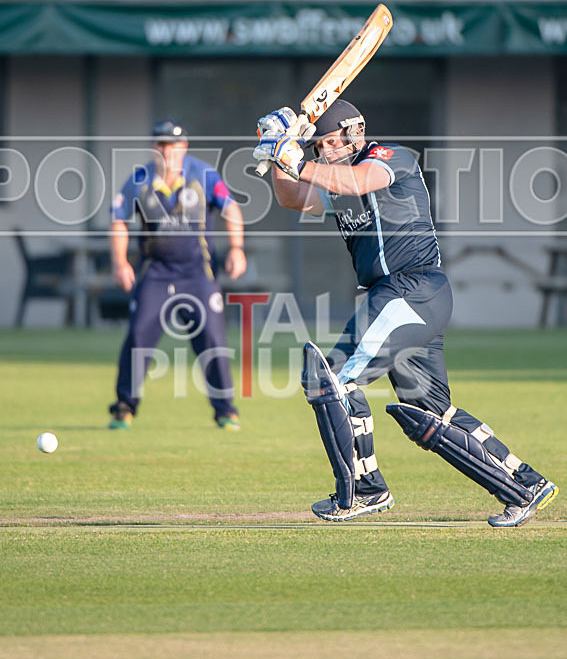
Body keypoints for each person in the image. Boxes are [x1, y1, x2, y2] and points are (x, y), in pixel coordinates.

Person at [253, 101, 558, 528]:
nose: (323, 151)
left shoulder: (388, 157)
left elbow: (357, 181)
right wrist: (275, 157)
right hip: (402, 296)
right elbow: (292, 198)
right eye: (317, 145)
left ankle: (365, 489)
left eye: (326, 142)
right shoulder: (332, 178)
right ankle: (524, 485)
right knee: (430, 414)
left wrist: (296, 156)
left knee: (333, 379)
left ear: (351, 133)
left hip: (411, 288)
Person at [109, 119, 246, 431]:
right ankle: (124, 406)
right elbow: (118, 220)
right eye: (160, 144)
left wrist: (237, 248)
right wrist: (120, 262)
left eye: (172, 145)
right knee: (138, 335)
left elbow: (231, 208)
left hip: (198, 273)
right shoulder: (139, 180)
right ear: (152, 147)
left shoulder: (203, 174)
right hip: (155, 273)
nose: (166, 150)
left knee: (212, 339)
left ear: (184, 147)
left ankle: (225, 409)